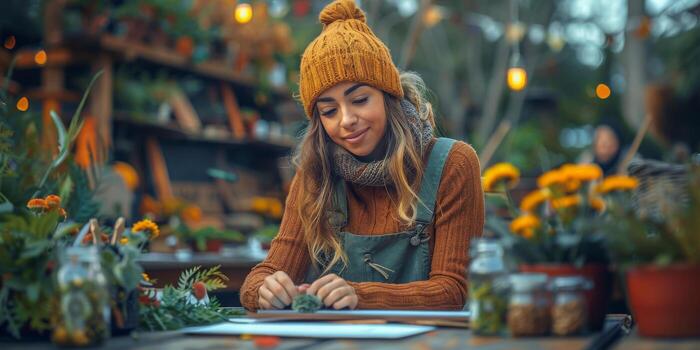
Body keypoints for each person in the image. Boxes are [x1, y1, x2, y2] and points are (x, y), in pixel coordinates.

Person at [239, 0, 484, 311]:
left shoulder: (453, 163)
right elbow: (261, 276)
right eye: (329, 110)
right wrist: (265, 289)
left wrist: (362, 296)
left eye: (359, 99)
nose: (346, 120)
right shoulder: (317, 173)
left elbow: (452, 290)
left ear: (388, 96)